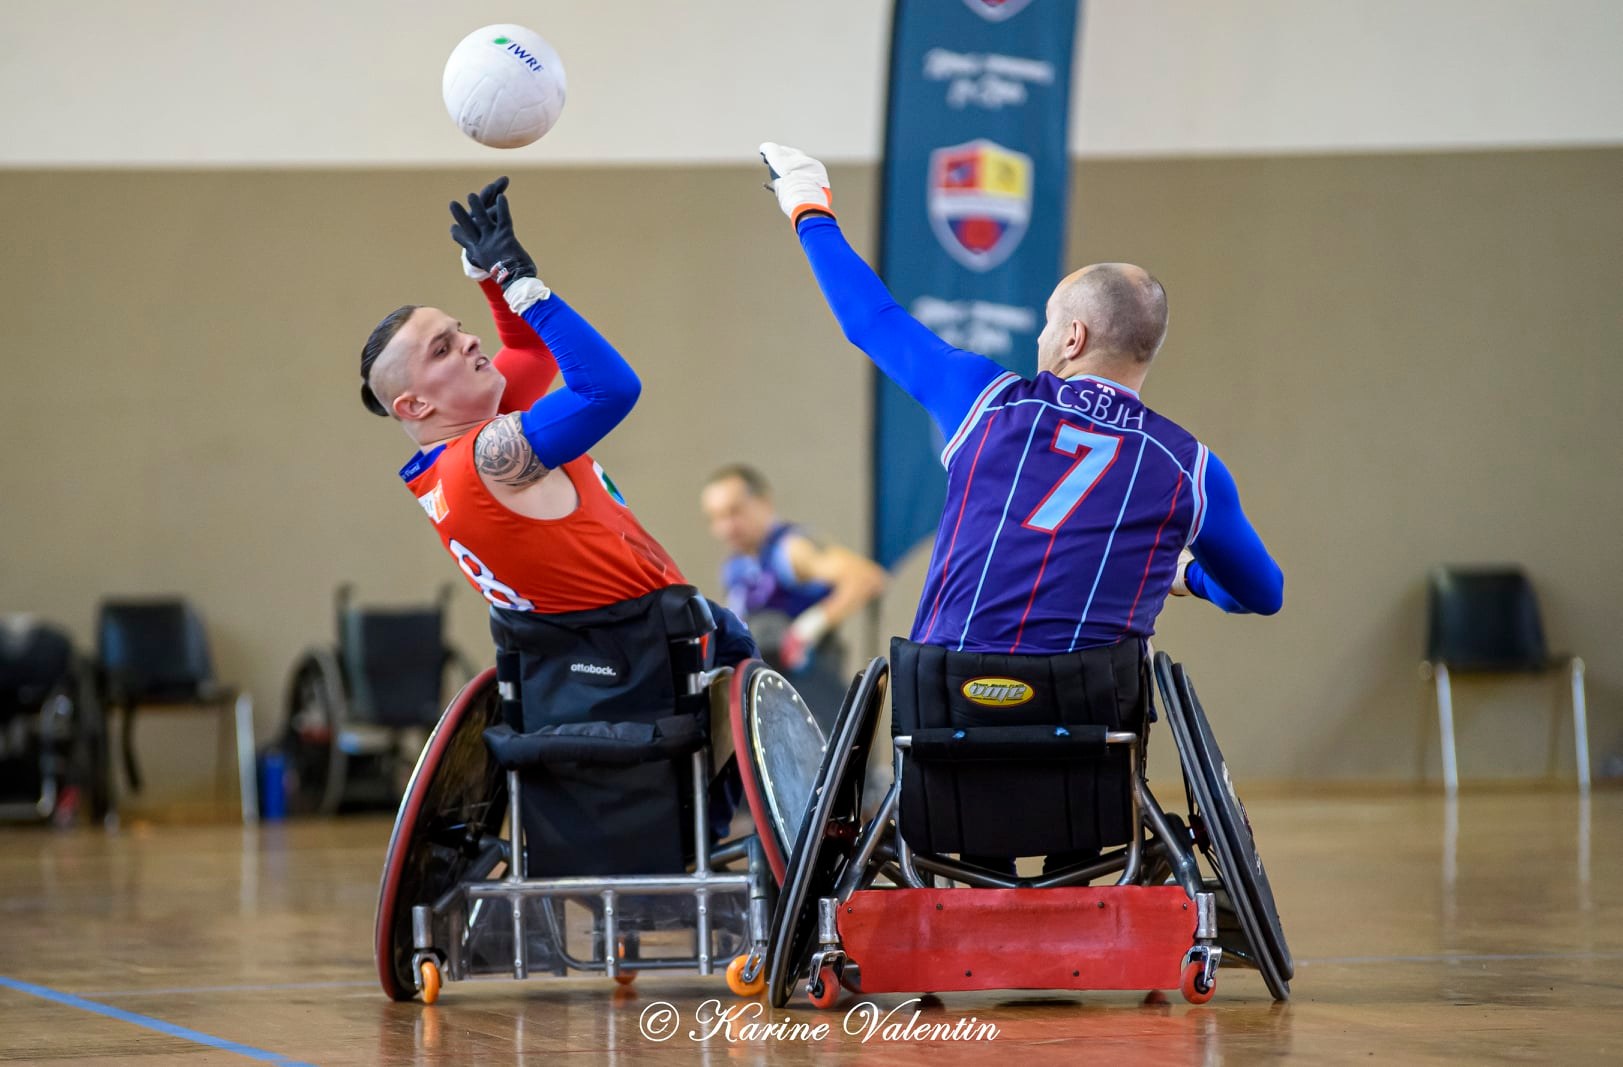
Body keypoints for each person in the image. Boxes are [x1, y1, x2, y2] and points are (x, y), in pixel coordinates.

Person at [757, 143, 1283, 870]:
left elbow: (869, 320)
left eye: (1046, 324)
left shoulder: (987, 398)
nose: (1039, 337)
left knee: (957, 723)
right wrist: (1188, 576)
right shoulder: (1189, 468)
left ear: (1073, 337)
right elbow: (1264, 592)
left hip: (946, 718)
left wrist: (806, 203)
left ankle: (962, 875)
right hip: (1091, 750)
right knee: (1088, 726)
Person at [358, 176, 755, 830]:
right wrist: (521, 282)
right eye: (443, 349)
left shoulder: (462, 446)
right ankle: (709, 834)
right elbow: (610, 389)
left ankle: (695, 830)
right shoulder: (488, 458)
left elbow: (525, 349)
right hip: (646, 656)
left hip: (589, 662)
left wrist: (494, 280)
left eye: (459, 330)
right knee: (740, 648)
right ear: (415, 405)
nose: (470, 343)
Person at [700, 464, 887, 729]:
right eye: (715, 518)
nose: (725, 527)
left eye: (734, 512)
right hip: (771, 706)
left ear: (764, 503)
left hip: (812, 700)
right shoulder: (735, 568)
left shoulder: (789, 550)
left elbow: (866, 578)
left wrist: (810, 626)